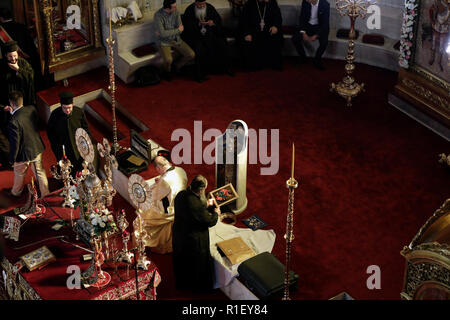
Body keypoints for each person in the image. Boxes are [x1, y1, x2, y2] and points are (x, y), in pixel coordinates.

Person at [172, 175, 221, 292]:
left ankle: (182, 282)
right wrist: (216, 213)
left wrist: (205, 205)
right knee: (196, 264)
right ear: (201, 190)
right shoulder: (196, 205)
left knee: (182, 261)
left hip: (179, 234)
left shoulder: (181, 194)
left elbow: (191, 212)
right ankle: (197, 287)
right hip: (193, 240)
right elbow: (208, 221)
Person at [3, 91, 49, 198]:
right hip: (36, 147)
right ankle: (46, 194)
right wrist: (13, 112)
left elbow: (15, 143)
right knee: (40, 172)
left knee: (19, 174)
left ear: (12, 104)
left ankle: (15, 192)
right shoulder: (32, 109)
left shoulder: (13, 121)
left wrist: (12, 159)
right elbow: (30, 123)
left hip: (22, 154)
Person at [141, 156, 188, 254]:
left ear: (158, 168)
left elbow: (155, 196)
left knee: (144, 212)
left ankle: (157, 243)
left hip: (170, 210)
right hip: (183, 204)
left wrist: (157, 185)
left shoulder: (165, 180)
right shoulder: (181, 170)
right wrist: (161, 181)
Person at [0, 41, 35, 168]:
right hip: (6, 107)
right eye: (10, 56)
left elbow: (30, 78)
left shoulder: (23, 63)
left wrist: (19, 71)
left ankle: (24, 154)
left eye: (15, 55)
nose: (13, 59)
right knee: (9, 134)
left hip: (21, 106)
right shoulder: (1, 67)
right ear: (5, 56)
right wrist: (3, 107)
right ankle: (11, 159)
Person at [47, 91, 97, 175]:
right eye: (65, 108)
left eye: (69, 107)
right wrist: (56, 147)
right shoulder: (55, 115)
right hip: (64, 149)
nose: (67, 110)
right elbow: (50, 133)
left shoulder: (79, 112)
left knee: (81, 170)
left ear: (72, 104)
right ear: (61, 105)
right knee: (67, 171)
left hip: (79, 148)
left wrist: (87, 143)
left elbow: (86, 129)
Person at [182, 0, 234, 79]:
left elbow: (218, 20)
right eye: (200, 5)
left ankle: (224, 69)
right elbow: (186, 26)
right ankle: (201, 74)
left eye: (203, 4)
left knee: (222, 44)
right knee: (199, 49)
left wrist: (212, 23)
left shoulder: (210, 7)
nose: (202, 6)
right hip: (196, 36)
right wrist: (198, 24)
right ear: (195, 3)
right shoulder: (189, 10)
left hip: (210, 33)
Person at [154, 0, 198, 81]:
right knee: (168, 60)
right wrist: (177, 30)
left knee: (191, 54)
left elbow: (181, 29)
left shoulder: (176, 12)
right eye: (174, 7)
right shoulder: (158, 15)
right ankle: (167, 72)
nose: (176, 8)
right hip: (164, 41)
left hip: (176, 39)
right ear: (167, 8)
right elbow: (163, 34)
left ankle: (176, 67)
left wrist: (171, 31)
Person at [239, 0, 283, 71]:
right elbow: (243, 21)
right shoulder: (249, 4)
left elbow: (278, 17)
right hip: (253, 32)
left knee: (277, 37)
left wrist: (276, 26)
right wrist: (247, 33)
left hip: (268, 31)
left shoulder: (272, 2)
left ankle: (272, 63)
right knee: (247, 41)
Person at [291, 0, 330, 70]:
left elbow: (325, 24)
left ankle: (317, 60)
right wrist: (303, 32)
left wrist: (316, 35)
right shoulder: (305, 2)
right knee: (295, 38)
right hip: (307, 26)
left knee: (324, 43)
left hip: (319, 27)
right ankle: (303, 57)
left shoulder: (325, 4)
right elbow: (302, 18)